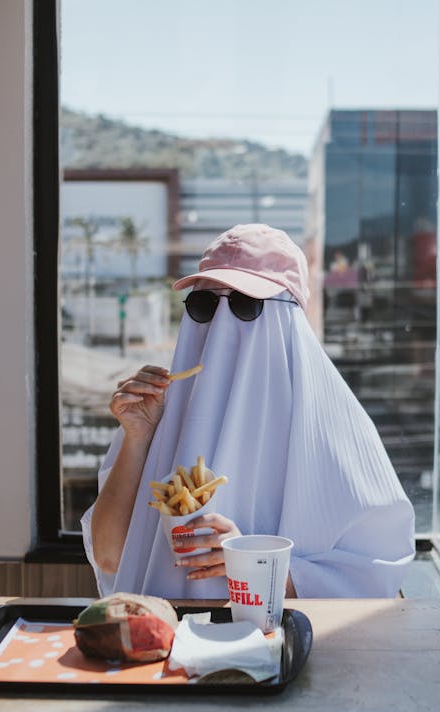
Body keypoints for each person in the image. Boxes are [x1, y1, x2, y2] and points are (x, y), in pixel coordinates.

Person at [81, 223, 415, 599]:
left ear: (290, 318)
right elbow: (110, 558)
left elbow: (379, 572)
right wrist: (137, 438)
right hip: (161, 642)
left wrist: (264, 566)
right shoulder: (158, 410)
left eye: (244, 305)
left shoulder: (336, 428)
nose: (222, 323)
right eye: (205, 304)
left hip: (281, 644)